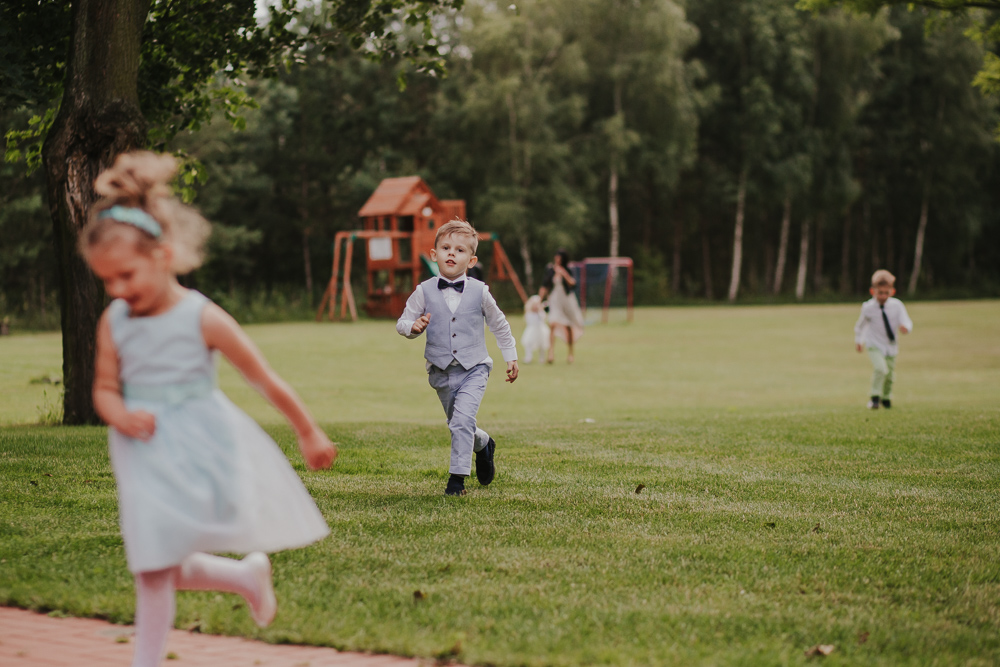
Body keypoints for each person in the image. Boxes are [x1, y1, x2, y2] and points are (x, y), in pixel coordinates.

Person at [79, 151, 337, 667]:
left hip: (199, 445)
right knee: (151, 565)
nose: (118, 290)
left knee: (154, 565)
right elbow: (104, 388)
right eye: (107, 280)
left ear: (162, 255)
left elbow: (262, 378)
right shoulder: (115, 321)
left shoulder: (203, 317)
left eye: (126, 275)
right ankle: (242, 577)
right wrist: (118, 413)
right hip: (141, 450)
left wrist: (308, 432)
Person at [396, 219, 519, 496]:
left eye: (460, 250)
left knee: (461, 423)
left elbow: (499, 324)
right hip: (440, 372)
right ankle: (483, 443)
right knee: (458, 424)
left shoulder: (480, 291)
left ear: (472, 260)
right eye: (446, 247)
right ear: (434, 254)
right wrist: (412, 328)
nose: (452, 253)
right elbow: (403, 322)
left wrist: (510, 356)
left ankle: (456, 481)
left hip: (474, 368)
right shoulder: (423, 291)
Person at [854, 269, 913, 409]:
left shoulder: (897, 306)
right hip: (874, 344)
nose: (883, 296)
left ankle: (886, 398)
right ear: (872, 291)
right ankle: (874, 398)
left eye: (886, 293)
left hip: (891, 345)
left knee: (890, 375)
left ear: (892, 291)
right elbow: (860, 326)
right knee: (881, 369)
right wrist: (858, 340)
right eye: (880, 292)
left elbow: (907, 321)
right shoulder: (868, 308)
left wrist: (905, 328)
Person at [539, 249, 585, 364]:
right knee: (552, 323)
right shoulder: (550, 270)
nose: (557, 259)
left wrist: (563, 273)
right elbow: (545, 285)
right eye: (556, 256)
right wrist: (539, 300)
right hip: (555, 299)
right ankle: (551, 353)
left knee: (568, 326)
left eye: (559, 257)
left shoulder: (569, 269)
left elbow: (573, 283)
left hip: (567, 300)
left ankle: (570, 353)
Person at [520, 294, 550, 363]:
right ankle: (528, 357)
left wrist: (540, 311)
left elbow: (543, 318)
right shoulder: (529, 313)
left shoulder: (540, 313)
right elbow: (528, 321)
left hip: (540, 330)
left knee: (541, 345)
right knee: (528, 343)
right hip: (531, 330)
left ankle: (542, 358)